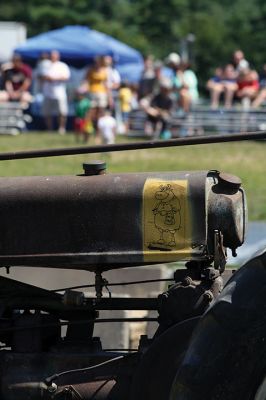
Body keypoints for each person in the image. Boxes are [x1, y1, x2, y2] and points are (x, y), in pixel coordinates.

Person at [42, 50, 70, 134]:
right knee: (47, 112)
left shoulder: (62, 66)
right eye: (51, 55)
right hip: (47, 92)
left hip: (59, 93)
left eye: (54, 55)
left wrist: (54, 78)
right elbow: (41, 76)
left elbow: (66, 77)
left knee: (62, 112)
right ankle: (49, 129)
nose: (52, 57)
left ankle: (61, 128)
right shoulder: (45, 65)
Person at [85, 56, 109, 132]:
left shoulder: (104, 71)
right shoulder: (90, 70)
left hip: (102, 93)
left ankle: (98, 131)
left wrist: (109, 96)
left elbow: (106, 84)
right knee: (91, 112)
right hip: (92, 93)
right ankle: (88, 129)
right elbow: (86, 81)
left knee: (100, 113)